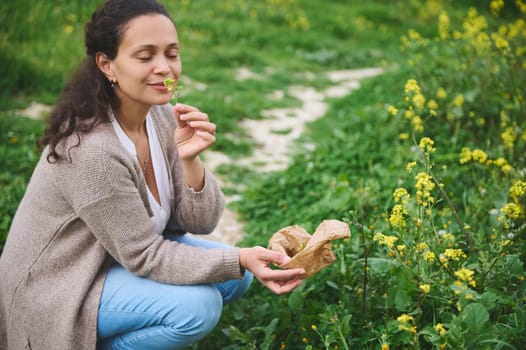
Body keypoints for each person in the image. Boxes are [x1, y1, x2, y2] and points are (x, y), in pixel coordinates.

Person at [0, 0, 305, 349]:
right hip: (59, 285)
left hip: (115, 260)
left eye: (171, 54)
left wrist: (191, 161)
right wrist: (239, 257)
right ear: (107, 65)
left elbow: (201, 222)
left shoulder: (159, 116)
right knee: (198, 307)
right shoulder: (92, 152)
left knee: (236, 279)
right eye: (145, 57)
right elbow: (146, 255)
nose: (165, 68)